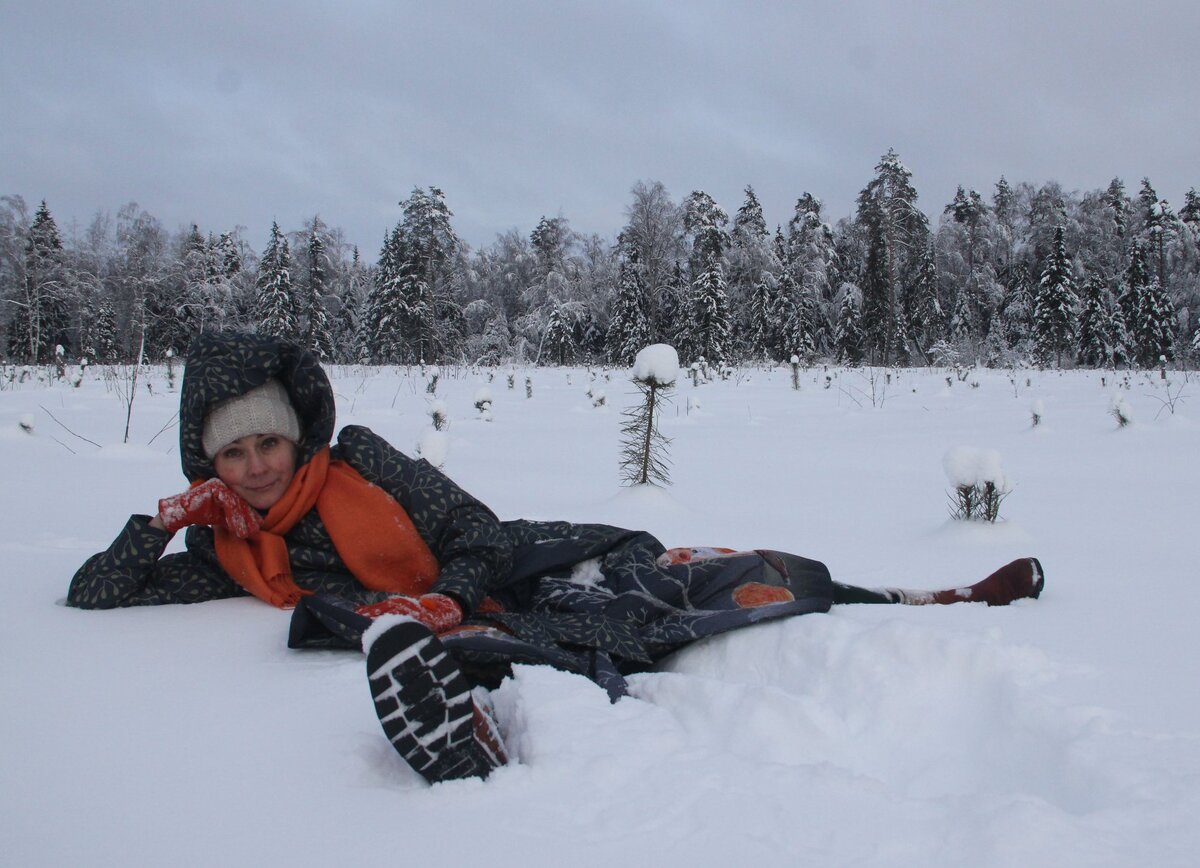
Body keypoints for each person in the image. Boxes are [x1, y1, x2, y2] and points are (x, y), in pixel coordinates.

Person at [69, 331, 1044, 784]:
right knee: (519, 652)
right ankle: (473, 745)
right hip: (433, 627)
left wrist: (446, 598)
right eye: (228, 452)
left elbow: (475, 527)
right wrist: (157, 522)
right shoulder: (224, 545)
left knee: (681, 577)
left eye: (265, 443)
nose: (251, 466)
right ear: (207, 457)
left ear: (296, 433)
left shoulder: (358, 458)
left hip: (501, 569)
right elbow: (95, 595)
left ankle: (924, 597)